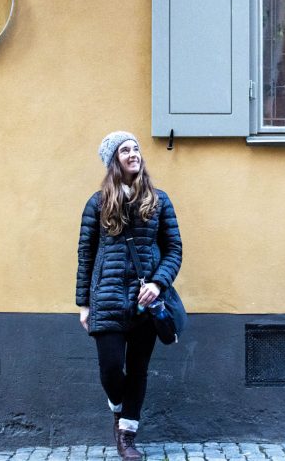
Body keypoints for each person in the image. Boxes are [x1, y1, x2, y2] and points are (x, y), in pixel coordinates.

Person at [76, 131, 182, 461]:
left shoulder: (159, 200)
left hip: (145, 303)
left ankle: (126, 436)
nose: (134, 153)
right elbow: (85, 253)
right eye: (125, 150)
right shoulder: (97, 203)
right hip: (106, 298)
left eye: (135, 148)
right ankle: (118, 409)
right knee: (110, 370)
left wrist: (158, 284)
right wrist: (83, 303)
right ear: (114, 160)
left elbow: (174, 250)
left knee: (137, 370)